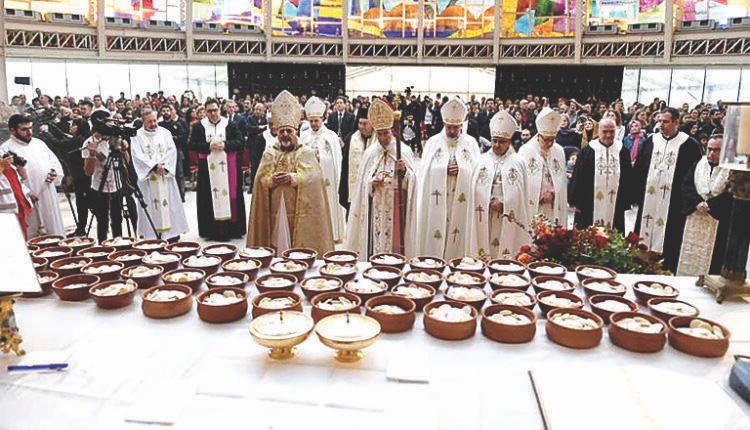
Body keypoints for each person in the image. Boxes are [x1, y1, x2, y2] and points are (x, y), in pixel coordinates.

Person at [247, 90, 334, 254]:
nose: (285, 135)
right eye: (282, 132)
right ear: (277, 133)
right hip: (273, 211)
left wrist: (294, 178)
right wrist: (271, 180)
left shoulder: (305, 152)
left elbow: (314, 179)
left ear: (296, 132)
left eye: (289, 131)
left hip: (298, 213)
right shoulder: (269, 153)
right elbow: (260, 180)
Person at [632, 107, 703, 272]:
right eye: (659, 121)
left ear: (676, 122)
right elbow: (640, 168)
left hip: (673, 202)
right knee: (644, 228)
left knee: (669, 235)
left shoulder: (689, 144)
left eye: (665, 121)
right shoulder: (651, 141)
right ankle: (640, 263)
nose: (661, 125)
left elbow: (694, 175)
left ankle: (666, 267)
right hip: (649, 199)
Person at [345, 98, 418, 259]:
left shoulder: (403, 151)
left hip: (396, 205)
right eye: (379, 134)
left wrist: (404, 171)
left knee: (395, 247)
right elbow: (364, 185)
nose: (383, 138)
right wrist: (372, 183)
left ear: (392, 131)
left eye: (386, 133)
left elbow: (412, 182)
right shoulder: (371, 153)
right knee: (376, 245)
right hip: (376, 207)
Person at [415, 97, 480, 259]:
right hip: (437, 199)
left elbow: (478, 172)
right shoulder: (433, 142)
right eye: (449, 127)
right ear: (444, 125)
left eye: (455, 128)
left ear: (461, 126)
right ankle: (433, 259)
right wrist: (443, 170)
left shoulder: (470, 143)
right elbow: (424, 173)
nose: (452, 131)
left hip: (461, 200)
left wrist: (462, 170)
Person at [467, 110, 530, 259]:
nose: (496, 145)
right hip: (484, 213)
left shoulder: (518, 162)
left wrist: (504, 204)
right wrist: (486, 201)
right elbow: (473, 190)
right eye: (494, 140)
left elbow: (520, 195)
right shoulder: (481, 160)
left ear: (509, 141)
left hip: (506, 215)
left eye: (501, 142)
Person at [187, 99, 246, 241]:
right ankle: (211, 230)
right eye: (209, 111)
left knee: (230, 196)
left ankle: (232, 229)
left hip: (229, 168)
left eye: (215, 110)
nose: (213, 113)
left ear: (220, 109)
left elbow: (240, 143)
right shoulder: (199, 127)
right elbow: (191, 144)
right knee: (208, 197)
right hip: (207, 169)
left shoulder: (230, 125)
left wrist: (225, 145)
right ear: (205, 112)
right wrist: (208, 146)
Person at [1, 114, 64, 237]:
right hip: (26, 198)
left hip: (47, 192)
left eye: (30, 128)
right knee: (32, 234)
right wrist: (27, 192)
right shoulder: (4, 149)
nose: (29, 132)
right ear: (12, 130)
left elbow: (54, 162)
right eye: (24, 129)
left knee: (54, 229)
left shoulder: (39, 143)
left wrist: (54, 172)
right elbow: (8, 179)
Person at [130, 110, 189, 241]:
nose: (153, 124)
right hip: (148, 178)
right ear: (143, 121)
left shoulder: (165, 133)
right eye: (150, 121)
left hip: (165, 177)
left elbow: (172, 151)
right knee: (151, 205)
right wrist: (154, 166)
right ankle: (151, 236)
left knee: (169, 205)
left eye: (155, 120)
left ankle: (172, 235)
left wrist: (164, 166)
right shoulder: (136, 136)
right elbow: (137, 155)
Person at [677, 135, 731, 276]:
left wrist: (710, 205)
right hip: (695, 214)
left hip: (716, 219)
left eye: (716, 150)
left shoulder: (730, 169)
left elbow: (731, 194)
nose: (711, 153)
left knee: (713, 256)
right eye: (709, 149)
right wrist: (697, 202)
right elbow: (686, 185)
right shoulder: (698, 164)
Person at [569, 118, 632, 232]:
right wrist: (575, 200)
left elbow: (628, 178)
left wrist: (626, 201)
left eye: (612, 131)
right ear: (598, 131)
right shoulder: (588, 151)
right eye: (604, 131)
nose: (608, 135)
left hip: (615, 203)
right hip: (590, 203)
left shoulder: (622, 151)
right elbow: (578, 176)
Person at [300, 96, 345, 243]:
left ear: (322, 119)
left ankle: (331, 233)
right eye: (311, 121)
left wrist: (320, 159)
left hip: (327, 181)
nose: (313, 124)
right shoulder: (304, 137)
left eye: (316, 121)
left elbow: (336, 161)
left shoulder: (331, 136)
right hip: (309, 180)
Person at [518, 107, 568, 226]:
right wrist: (540, 194)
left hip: (553, 207)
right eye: (546, 140)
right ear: (539, 135)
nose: (550, 143)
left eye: (552, 139)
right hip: (535, 207)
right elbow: (522, 183)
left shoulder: (559, 151)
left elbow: (561, 181)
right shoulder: (525, 151)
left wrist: (555, 192)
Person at [82, 111, 126, 242]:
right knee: (102, 220)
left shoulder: (115, 139)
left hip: (116, 184)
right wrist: (91, 154)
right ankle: (103, 246)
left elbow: (126, 163)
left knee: (117, 218)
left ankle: (119, 244)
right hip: (98, 187)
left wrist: (123, 150)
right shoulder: (89, 142)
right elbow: (88, 172)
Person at [340, 108, 375, 215]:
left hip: (372, 190)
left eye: (365, 124)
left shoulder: (378, 140)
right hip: (353, 189)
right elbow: (345, 167)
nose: (361, 127)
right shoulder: (350, 139)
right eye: (360, 123)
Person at [158, 104, 189, 202]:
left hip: (176, 151)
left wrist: (173, 139)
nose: (166, 112)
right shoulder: (160, 126)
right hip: (163, 153)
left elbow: (184, 137)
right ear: (161, 113)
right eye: (164, 110)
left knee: (179, 174)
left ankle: (181, 197)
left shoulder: (177, 124)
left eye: (168, 110)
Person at [0, 152, 32, 238]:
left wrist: (19, 165)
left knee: (22, 237)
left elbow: (23, 178)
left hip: (18, 207)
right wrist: (2, 166)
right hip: (4, 213)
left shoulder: (9, 167)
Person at [245, 102, 268, 193]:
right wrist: (259, 127)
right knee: (253, 167)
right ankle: (252, 187)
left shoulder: (266, 119)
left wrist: (258, 129)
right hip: (253, 146)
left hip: (262, 146)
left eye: (260, 110)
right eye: (256, 109)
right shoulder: (250, 118)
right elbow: (249, 129)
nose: (257, 111)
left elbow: (267, 128)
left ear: (263, 111)